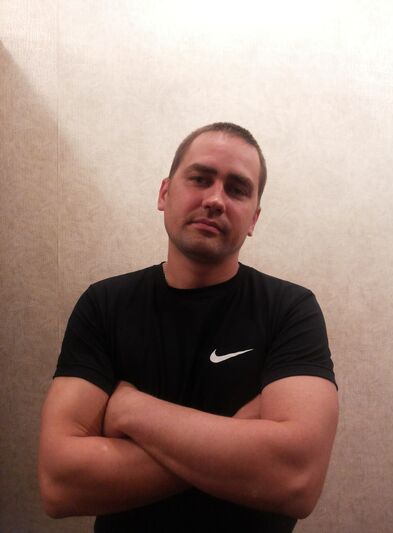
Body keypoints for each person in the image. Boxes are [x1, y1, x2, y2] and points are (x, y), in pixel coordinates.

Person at [38, 122, 338, 533]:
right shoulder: (104, 304)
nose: (215, 199)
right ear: (165, 193)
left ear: (253, 218)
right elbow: (60, 484)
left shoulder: (290, 309)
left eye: (237, 189)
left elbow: (295, 480)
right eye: (200, 179)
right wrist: (237, 445)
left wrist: (132, 410)